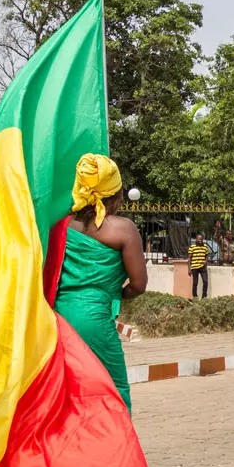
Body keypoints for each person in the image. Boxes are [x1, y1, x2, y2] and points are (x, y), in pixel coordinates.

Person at [54, 154, 149, 412]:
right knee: (112, 395)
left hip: (56, 321)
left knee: (67, 398)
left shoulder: (60, 226)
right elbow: (139, 284)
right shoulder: (123, 229)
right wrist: (114, 294)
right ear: (116, 194)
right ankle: (114, 452)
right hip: (94, 321)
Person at [187, 232, 210, 298]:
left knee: (205, 282)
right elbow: (189, 258)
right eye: (199, 239)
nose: (201, 241)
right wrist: (189, 269)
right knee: (195, 283)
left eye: (202, 239)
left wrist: (206, 261)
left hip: (203, 267)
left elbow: (206, 256)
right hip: (194, 267)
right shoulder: (192, 247)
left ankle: (204, 296)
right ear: (196, 239)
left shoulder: (205, 247)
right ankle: (195, 296)